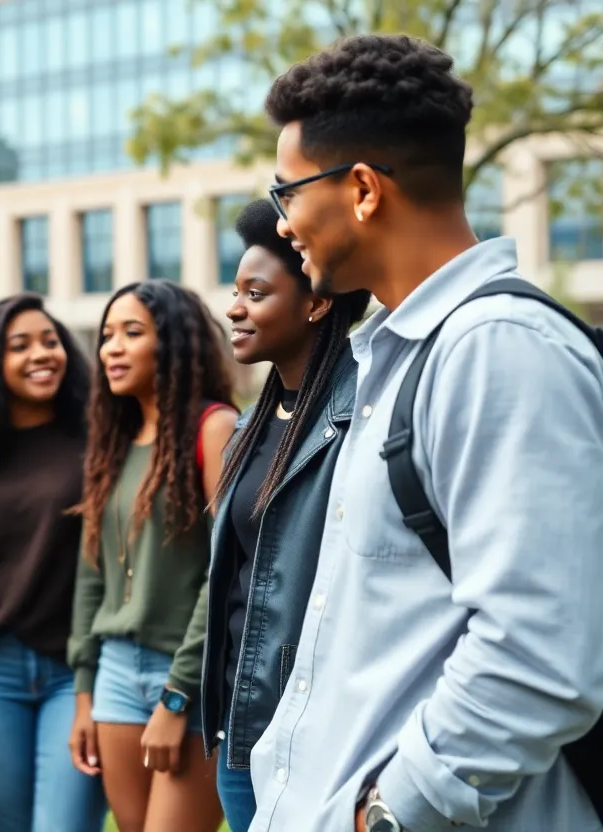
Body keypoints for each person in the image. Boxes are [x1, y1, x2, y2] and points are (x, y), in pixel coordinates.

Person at [247, 34, 603, 832]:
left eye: (287, 194)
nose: (285, 223)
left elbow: (538, 656)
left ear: (364, 190)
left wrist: (391, 816)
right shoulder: (395, 358)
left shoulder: (497, 351)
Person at [198, 199, 371, 832]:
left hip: (322, 737)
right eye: (235, 290)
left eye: (256, 293)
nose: (234, 307)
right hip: (244, 731)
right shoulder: (250, 425)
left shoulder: (364, 417)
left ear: (317, 303)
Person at [67, 279, 237, 832]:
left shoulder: (214, 427)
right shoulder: (115, 440)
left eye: (131, 333)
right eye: (107, 336)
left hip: (188, 670)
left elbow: (228, 567)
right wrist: (85, 692)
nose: (111, 348)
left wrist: (177, 696)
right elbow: (92, 576)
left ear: (174, 343)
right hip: (115, 670)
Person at [0, 293, 107, 832]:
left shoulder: (100, 440)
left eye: (50, 341)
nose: (42, 354)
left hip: (75, 672)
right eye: (20, 345)